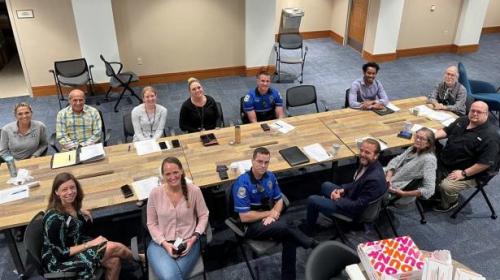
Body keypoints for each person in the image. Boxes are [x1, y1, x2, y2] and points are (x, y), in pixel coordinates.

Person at [232, 147, 317, 280]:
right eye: (259, 161)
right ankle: (312, 244)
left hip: (269, 218)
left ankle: (288, 277)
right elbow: (244, 217)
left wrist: (275, 212)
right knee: (286, 226)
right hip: (251, 225)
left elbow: (279, 199)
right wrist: (268, 214)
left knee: (288, 236)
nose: (263, 166)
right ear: (252, 161)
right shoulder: (242, 184)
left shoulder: (270, 176)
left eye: (266, 162)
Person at [42, 172, 140, 280]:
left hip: (74, 244)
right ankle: (143, 259)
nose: (70, 192)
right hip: (60, 262)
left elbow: (70, 223)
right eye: (64, 189)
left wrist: (78, 212)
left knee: (114, 262)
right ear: (56, 192)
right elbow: (61, 254)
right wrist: (89, 244)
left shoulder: (70, 205)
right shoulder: (55, 220)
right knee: (113, 247)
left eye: (72, 187)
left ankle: (140, 259)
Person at [147, 157, 209, 280]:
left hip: (187, 243)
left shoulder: (194, 191)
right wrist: (165, 244)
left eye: (175, 172)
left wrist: (193, 238)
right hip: (160, 244)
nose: (172, 177)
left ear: (181, 171)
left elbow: (203, 215)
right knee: (172, 277)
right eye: (168, 174)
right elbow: (151, 223)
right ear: (163, 176)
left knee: (170, 277)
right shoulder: (155, 193)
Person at [305, 139, 386, 232]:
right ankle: (323, 209)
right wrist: (343, 189)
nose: (362, 154)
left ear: (376, 155)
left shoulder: (374, 179)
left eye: (367, 152)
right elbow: (357, 183)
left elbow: (358, 206)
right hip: (353, 197)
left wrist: (338, 199)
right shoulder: (370, 164)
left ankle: (309, 230)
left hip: (354, 211)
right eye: (361, 150)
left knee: (312, 200)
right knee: (325, 185)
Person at [433, 101, 499, 212]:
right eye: (473, 110)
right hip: (448, 160)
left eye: (479, 112)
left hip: (470, 172)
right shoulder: (463, 120)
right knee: (426, 156)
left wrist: (464, 173)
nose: (475, 114)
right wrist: (429, 137)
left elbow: (485, 163)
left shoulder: (491, 137)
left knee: (446, 186)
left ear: (486, 114)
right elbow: (446, 131)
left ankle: (450, 202)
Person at [385, 128, 437, 205]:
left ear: (429, 143)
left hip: (397, 190)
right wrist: (388, 178)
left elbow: (429, 189)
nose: (418, 140)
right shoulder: (413, 148)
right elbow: (396, 160)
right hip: (390, 180)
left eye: (422, 139)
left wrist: (403, 193)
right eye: (417, 136)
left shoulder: (429, 160)